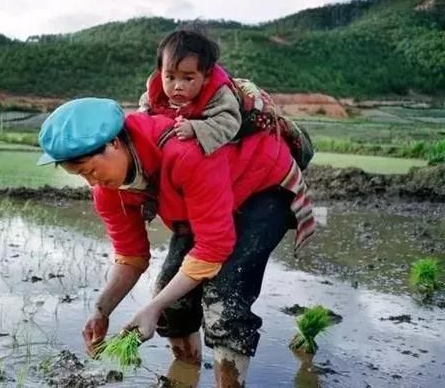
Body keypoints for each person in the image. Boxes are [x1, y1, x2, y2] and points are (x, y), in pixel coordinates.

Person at [37, 97, 315, 387]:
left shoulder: (184, 151)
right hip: (203, 202)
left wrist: (152, 307)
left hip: (263, 187)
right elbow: (131, 256)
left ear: (114, 144)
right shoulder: (109, 191)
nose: (92, 183)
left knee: (225, 296)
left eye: (91, 171)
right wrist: (101, 310)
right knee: (171, 298)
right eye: (82, 176)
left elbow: (213, 249)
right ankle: (186, 374)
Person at [139, 27, 242, 156]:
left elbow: (229, 123)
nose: (177, 86)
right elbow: (145, 106)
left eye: (188, 78)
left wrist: (195, 128)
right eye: (170, 77)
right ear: (161, 71)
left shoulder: (217, 94)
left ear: (206, 76)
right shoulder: (156, 89)